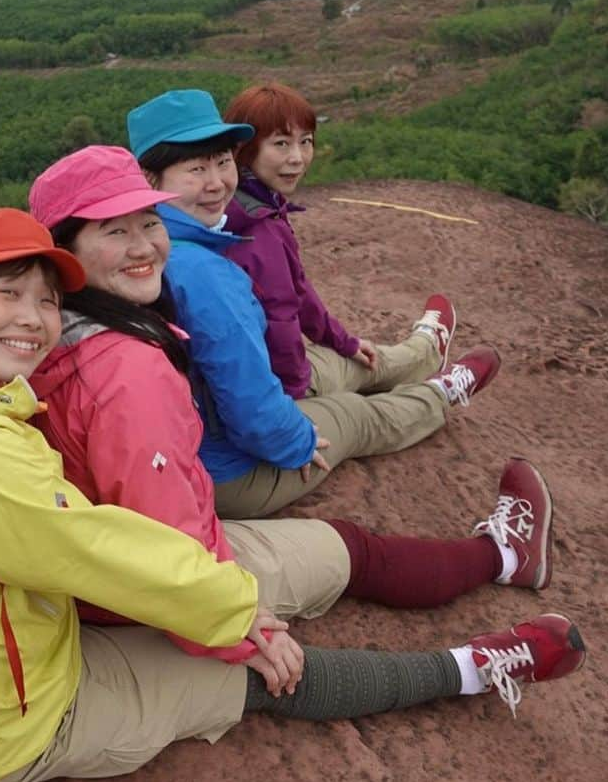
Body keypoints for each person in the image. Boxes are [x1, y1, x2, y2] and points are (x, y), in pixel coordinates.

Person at [0, 206, 584, 782]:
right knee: (267, 675)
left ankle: (500, 560)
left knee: (318, 567)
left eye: (46, 301)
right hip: (4, 723)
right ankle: (481, 668)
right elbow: (92, 548)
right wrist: (238, 619)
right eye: (6, 294)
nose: (33, 319)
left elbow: (67, 535)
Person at [126, 89, 500, 519]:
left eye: (222, 162)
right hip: (223, 471)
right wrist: (293, 442)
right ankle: (440, 394)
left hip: (186, 449)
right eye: (196, 169)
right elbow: (250, 408)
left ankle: (424, 352)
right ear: (150, 180)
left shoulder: (137, 248)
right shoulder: (202, 271)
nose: (216, 183)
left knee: (344, 363)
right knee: (355, 415)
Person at [223, 80, 453, 403]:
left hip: (253, 378)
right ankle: (429, 351)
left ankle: (425, 350)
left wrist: (342, 340)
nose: (298, 158)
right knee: (365, 377)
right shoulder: (257, 230)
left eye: (305, 141)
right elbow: (281, 319)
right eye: (281, 144)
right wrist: (294, 394)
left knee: (359, 357)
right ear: (244, 149)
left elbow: (296, 290)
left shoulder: (236, 204)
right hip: (273, 387)